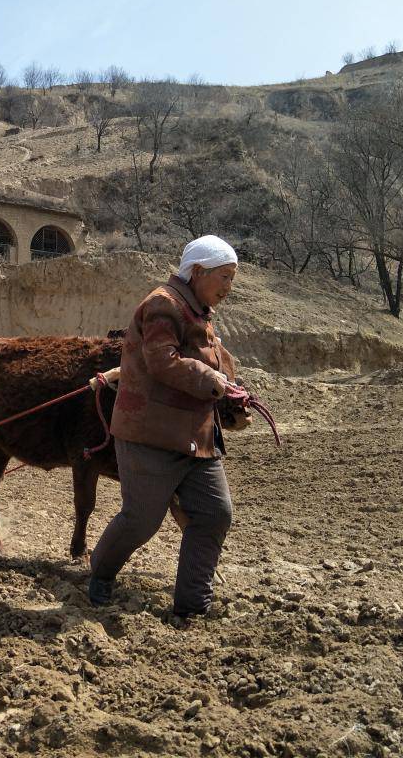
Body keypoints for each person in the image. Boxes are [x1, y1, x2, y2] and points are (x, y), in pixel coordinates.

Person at [88, 235, 251, 621]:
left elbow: (212, 369)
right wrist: (212, 379)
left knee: (214, 514)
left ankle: (193, 605)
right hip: (150, 436)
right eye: (224, 278)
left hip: (195, 438)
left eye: (232, 279)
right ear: (197, 272)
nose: (229, 288)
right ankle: (101, 571)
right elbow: (163, 361)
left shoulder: (199, 313)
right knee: (141, 521)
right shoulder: (163, 305)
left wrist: (229, 394)